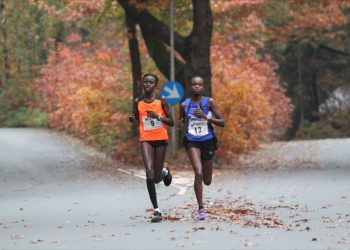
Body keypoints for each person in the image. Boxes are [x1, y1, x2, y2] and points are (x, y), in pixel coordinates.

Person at [129, 73, 174, 223]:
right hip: (146, 138)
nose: (148, 84)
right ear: (142, 84)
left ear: (155, 85)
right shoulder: (138, 101)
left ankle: (164, 171)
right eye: (145, 82)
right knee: (148, 171)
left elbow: (172, 122)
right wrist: (132, 119)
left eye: (151, 82)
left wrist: (158, 117)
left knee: (155, 179)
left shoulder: (161, 100)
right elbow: (136, 118)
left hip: (160, 138)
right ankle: (156, 211)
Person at [178, 75, 225, 220]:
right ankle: (201, 209)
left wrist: (206, 117)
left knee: (207, 180)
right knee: (198, 172)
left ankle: (203, 190)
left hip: (208, 141)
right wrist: (181, 125)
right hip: (192, 140)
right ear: (190, 87)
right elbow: (182, 121)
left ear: (203, 87)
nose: (196, 87)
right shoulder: (184, 105)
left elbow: (222, 122)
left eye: (199, 85)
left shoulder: (209, 102)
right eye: (194, 84)